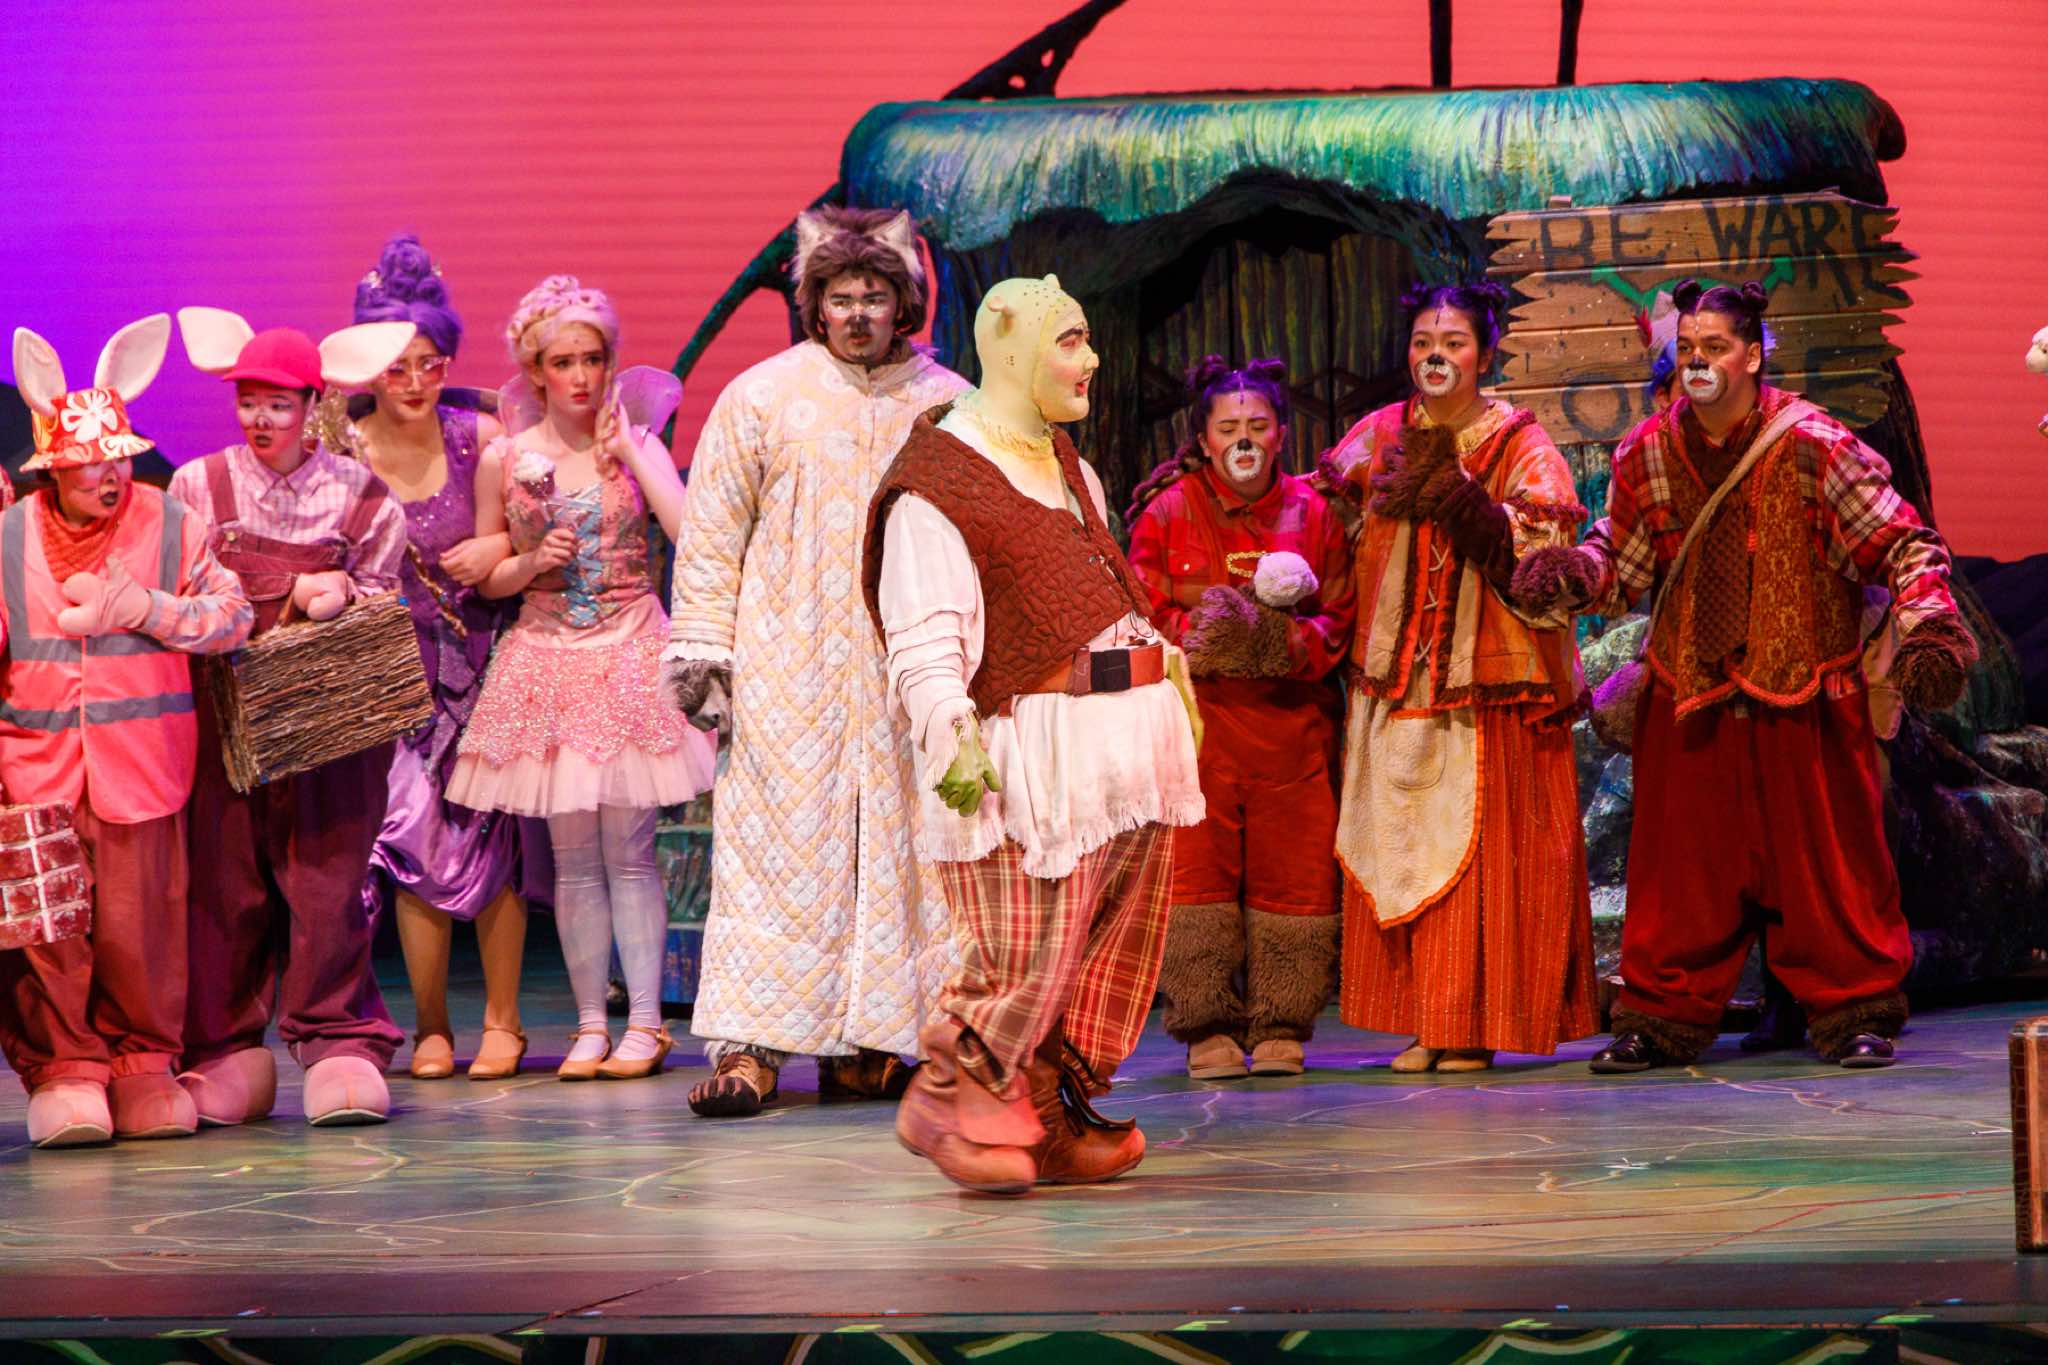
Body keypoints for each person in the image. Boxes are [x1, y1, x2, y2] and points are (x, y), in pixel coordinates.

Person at [1514, 279, 1977, 1071]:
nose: (1698, 361)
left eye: (1716, 347)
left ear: (1753, 355)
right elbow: (1621, 560)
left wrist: (1930, 624)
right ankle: (1658, 1016)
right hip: (1692, 696)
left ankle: (1854, 1010)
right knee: (1678, 880)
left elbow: (1904, 543)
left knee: (1831, 876)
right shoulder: (1648, 452)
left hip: (1803, 694)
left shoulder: (1816, 444)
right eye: (1688, 348)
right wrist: (1576, 573)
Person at [865, 274, 1205, 1195]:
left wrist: (1167, 681)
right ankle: (947, 1096)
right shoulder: (940, 481)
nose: (1091, 359)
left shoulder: (1068, 464)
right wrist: (950, 734)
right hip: (1031, 762)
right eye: (1071, 340)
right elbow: (924, 635)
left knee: (1091, 959)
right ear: (1010, 345)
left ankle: (1047, 1119)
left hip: (1119, 762)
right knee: (1026, 956)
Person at [667, 207, 970, 1117]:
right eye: (841, 297)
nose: (858, 313)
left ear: (903, 302)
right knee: (776, 851)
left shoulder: (947, 402)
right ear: (815, 303)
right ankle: (750, 1046)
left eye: (875, 295)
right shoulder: (762, 397)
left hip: (905, 666)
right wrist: (704, 652)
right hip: (787, 666)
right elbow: (712, 535)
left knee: (902, 857)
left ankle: (872, 1043)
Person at [1322, 281, 1597, 1074]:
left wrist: (1464, 501)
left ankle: (1470, 1022)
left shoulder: (1518, 443)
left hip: (1487, 681)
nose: (1434, 355)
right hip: (1396, 678)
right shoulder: (1377, 436)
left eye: (1453, 342)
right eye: (1422, 342)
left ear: (1484, 354)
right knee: (1405, 847)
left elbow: (1543, 554)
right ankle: (1426, 1021)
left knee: (1478, 854)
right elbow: (1327, 519)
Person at [447, 275, 713, 1082]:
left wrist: (631, 451)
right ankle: (591, 1023)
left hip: (628, 646)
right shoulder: (506, 457)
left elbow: (691, 532)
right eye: (563, 361)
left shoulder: (636, 442)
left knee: (629, 852)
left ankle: (645, 1023)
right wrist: (531, 561)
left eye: (593, 358)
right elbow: (490, 573)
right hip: (549, 655)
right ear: (535, 369)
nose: (580, 375)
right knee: (572, 859)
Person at [0, 316, 252, 1147]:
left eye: (117, 458)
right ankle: (68, 1069)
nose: (109, 474)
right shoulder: (7, 535)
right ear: (52, 467)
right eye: (89, 461)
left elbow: (233, 615)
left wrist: (152, 608)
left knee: (142, 928)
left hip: (142, 766)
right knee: (51, 935)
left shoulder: (169, 521)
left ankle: (142, 1063)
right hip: (36, 769)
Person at [170, 306, 418, 1126]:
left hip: (327, 725)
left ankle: (338, 1037)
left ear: (315, 404)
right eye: (248, 401)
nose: (261, 417)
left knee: (327, 879)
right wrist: (279, 596)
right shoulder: (197, 485)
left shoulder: (362, 495)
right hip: (225, 717)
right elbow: (184, 594)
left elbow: (383, 606)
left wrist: (344, 594)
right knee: (224, 883)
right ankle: (226, 1050)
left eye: (279, 402)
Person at [1125, 357, 1354, 1078]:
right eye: (1228, 427)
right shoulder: (1168, 512)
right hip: (1199, 733)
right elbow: (1139, 609)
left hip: (1293, 731)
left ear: (1281, 433)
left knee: (1298, 879)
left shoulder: (1313, 514)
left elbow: (1340, 615)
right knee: (1197, 879)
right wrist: (1204, 638)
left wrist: (1284, 644)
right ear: (1204, 438)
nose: (1244, 438)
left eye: (1258, 424)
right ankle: (1205, 1025)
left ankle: (1283, 1020)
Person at [344, 234, 531, 1081]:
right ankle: (430, 1025)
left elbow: (539, 532)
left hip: (481, 662)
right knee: (412, 844)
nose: (416, 381)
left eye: (430, 363)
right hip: (392, 677)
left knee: (496, 843)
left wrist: (496, 546)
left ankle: (503, 1020)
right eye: (397, 367)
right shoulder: (346, 450)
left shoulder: (481, 436)